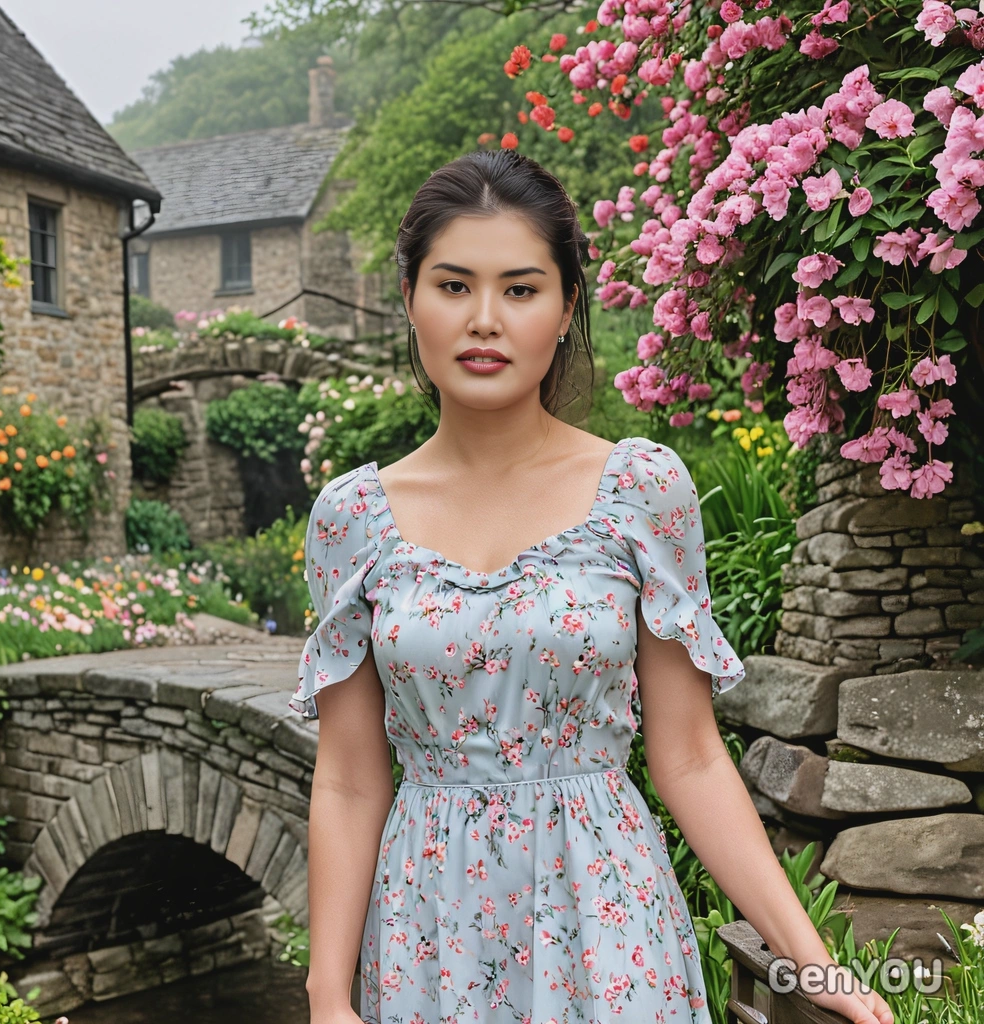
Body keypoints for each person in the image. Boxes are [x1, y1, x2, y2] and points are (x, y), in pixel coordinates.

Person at [290, 149, 894, 1024]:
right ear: (411, 298)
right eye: (454, 286)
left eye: (521, 289)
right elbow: (348, 780)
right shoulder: (355, 519)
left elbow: (686, 756)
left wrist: (814, 966)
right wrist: (325, 996)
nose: (485, 320)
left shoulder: (640, 493)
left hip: (611, 930)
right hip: (427, 942)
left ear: (569, 304)